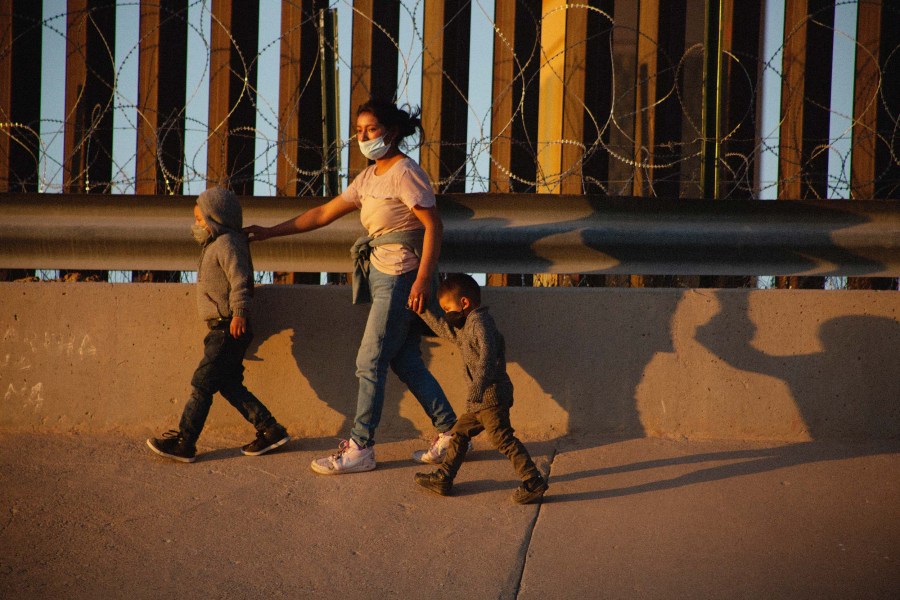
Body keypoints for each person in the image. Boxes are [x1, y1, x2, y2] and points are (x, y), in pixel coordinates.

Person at [244, 97, 458, 474]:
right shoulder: (369, 177)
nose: (363, 136)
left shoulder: (405, 172)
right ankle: (452, 433)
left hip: (401, 275)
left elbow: (433, 225)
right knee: (405, 360)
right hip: (380, 274)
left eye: (370, 129)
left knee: (370, 359)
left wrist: (423, 279)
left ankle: (360, 447)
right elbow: (323, 213)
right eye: (358, 131)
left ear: (391, 132)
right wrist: (269, 233)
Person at [147, 187, 290, 463]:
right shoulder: (218, 244)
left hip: (228, 327)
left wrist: (239, 312)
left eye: (200, 220)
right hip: (222, 328)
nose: (196, 225)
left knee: (202, 383)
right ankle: (270, 429)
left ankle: (185, 442)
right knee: (229, 384)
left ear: (217, 219)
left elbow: (241, 279)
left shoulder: (227, 244)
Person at [413, 274, 548, 504]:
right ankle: (444, 478)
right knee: (459, 434)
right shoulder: (467, 326)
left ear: (464, 303)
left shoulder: (481, 323)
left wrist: (477, 388)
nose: (446, 315)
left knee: (503, 440)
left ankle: (532, 480)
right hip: (480, 401)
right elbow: (445, 331)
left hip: (491, 397)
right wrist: (422, 312)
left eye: (448, 308)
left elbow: (488, 356)